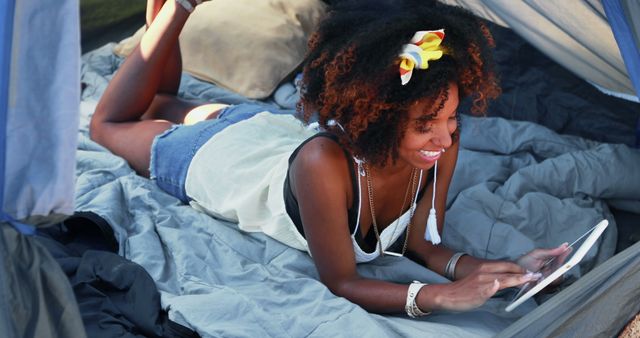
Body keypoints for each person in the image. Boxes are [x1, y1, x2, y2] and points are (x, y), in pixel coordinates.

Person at [90, 0, 570, 316]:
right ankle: (176, 12)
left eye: (450, 120)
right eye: (425, 124)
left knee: (161, 102)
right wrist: (438, 297)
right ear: (377, 119)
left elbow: (423, 245)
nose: (444, 139)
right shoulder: (322, 165)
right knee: (109, 125)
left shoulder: (439, 147)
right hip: (213, 158)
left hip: (265, 133)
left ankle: (165, 22)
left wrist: (505, 270)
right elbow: (341, 280)